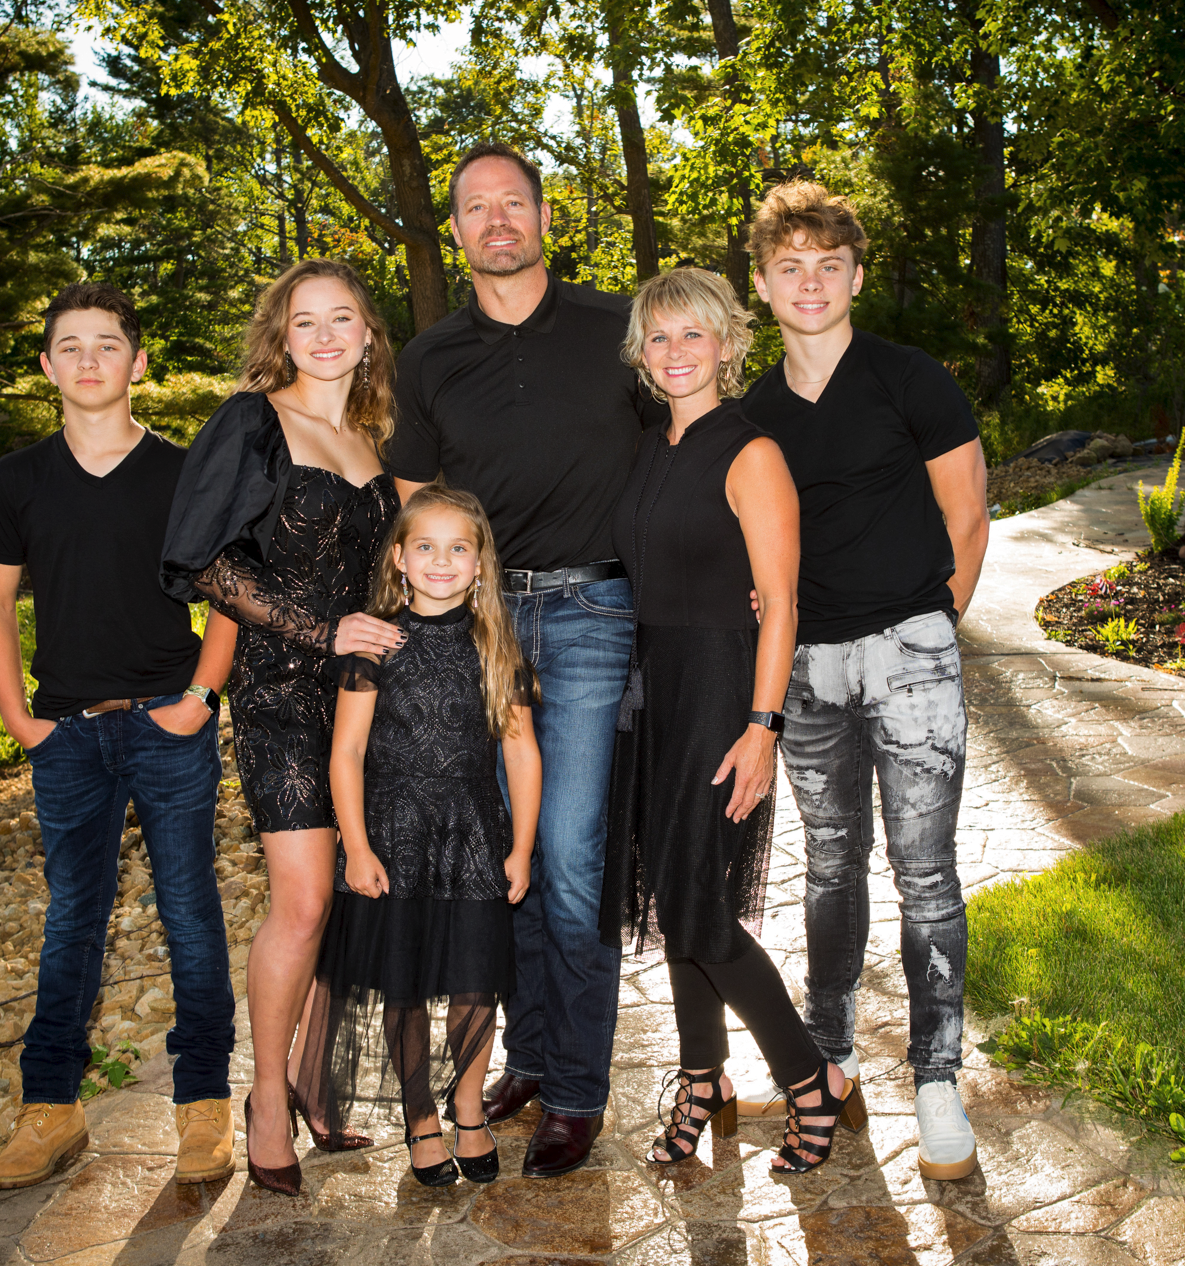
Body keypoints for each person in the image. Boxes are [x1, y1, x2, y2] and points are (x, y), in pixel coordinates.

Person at [388, 142, 665, 1177]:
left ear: (546, 218)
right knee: (507, 851)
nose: (496, 221)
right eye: (475, 209)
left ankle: (579, 1093)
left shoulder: (613, 329)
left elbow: (685, 440)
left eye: (514, 204)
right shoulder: (431, 358)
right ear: (454, 231)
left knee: (573, 854)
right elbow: (414, 498)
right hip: (485, 625)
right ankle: (536, 1056)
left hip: (595, 610)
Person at [742, 183, 990, 1180]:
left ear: (855, 274)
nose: (810, 283)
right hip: (807, 668)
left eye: (828, 265)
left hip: (909, 649)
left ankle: (937, 1078)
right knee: (832, 866)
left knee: (924, 872)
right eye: (788, 267)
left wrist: (932, 634)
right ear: (761, 286)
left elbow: (967, 518)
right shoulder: (754, 411)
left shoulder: (909, 378)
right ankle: (830, 1058)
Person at [0, 283, 238, 1189]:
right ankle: (50, 1107)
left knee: (191, 915)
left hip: (168, 723)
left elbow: (228, 594)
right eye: (71, 346)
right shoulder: (19, 480)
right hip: (69, 736)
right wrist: (20, 721)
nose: (90, 360)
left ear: (139, 362)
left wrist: (202, 695)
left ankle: (204, 1104)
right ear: (47, 366)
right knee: (72, 920)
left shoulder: (178, 473)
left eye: (108, 344)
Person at [599, 266, 859, 1174]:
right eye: (659, 338)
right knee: (674, 899)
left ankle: (809, 1078)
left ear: (726, 344)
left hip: (718, 689)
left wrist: (762, 726)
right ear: (642, 352)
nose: (676, 353)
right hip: (651, 686)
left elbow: (780, 603)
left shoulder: (751, 453)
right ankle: (703, 1080)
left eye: (693, 335)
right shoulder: (646, 449)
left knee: (702, 911)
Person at [159, 259, 405, 1192]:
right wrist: (320, 627)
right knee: (301, 900)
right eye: (307, 322)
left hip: (366, 697)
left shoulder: (372, 441)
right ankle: (266, 1097)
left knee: (351, 890)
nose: (328, 335)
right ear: (282, 337)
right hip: (279, 693)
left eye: (344, 319)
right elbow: (206, 563)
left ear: (369, 335)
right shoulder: (254, 421)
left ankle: (313, 1076)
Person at [288, 486, 542, 1192]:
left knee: (474, 981)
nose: (441, 561)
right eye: (424, 546)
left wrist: (520, 847)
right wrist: (358, 847)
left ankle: (468, 1103)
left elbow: (520, 752)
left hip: (473, 836)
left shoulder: (496, 647)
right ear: (398, 558)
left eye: (459, 547)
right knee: (403, 987)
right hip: (395, 839)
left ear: (480, 562)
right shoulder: (375, 643)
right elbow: (345, 753)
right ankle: (420, 1113)